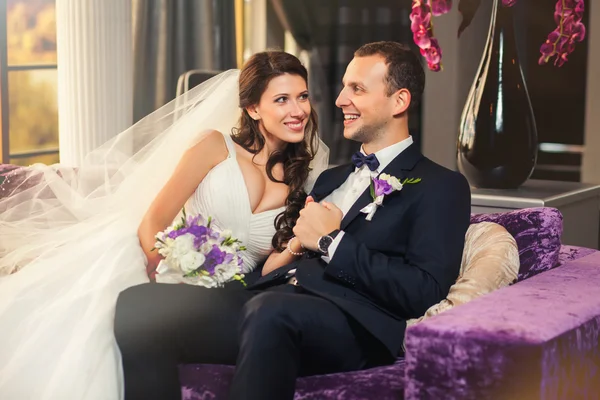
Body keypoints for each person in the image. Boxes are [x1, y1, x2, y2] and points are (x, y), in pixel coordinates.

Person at [114, 41, 472, 400]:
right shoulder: (328, 180)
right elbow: (287, 256)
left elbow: (425, 290)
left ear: (399, 101)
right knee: (139, 305)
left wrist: (333, 241)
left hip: (353, 322)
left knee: (270, 312)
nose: (339, 100)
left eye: (357, 89)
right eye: (345, 86)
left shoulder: (441, 186)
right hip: (273, 298)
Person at [0, 51, 328, 399]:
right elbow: (155, 219)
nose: (298, 111)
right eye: (282, 99)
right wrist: (170, 267)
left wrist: (296, 243)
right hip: (171, 268)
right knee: (123, 315)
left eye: (302, 96)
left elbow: (270, 267)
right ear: (252, 109)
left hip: (236, 293)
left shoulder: (302, 179)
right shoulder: (214, 146)